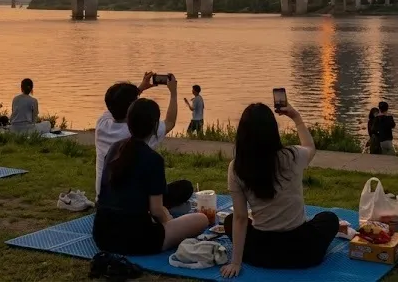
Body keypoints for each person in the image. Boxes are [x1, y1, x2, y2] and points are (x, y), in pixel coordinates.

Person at [221, 102, 338, 277]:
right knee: (329, 218)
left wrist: (236, 262)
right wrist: (296, 117)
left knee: (230, 220)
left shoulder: (237, 167)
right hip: (303, 253)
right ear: (273, 131)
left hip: (261, 254)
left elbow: (240, 218)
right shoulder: (293, 156)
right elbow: (310, 148)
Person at [93, 98, 210, 255]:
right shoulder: (153, 159)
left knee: (179, 192)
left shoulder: (115, 148)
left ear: (129, 122)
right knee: (201, 219)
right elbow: (156, 210)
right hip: (136, 240)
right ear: (155, 126)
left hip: (102, 235)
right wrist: (170, 224)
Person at [94, 72, 190, 208]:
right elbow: (170, 122)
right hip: (135, 205)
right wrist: (173, 93)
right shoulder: (138, 132)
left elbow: (117, 104)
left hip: (104, 201)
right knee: (185, 187)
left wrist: (140, 88)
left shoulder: (101, 125)